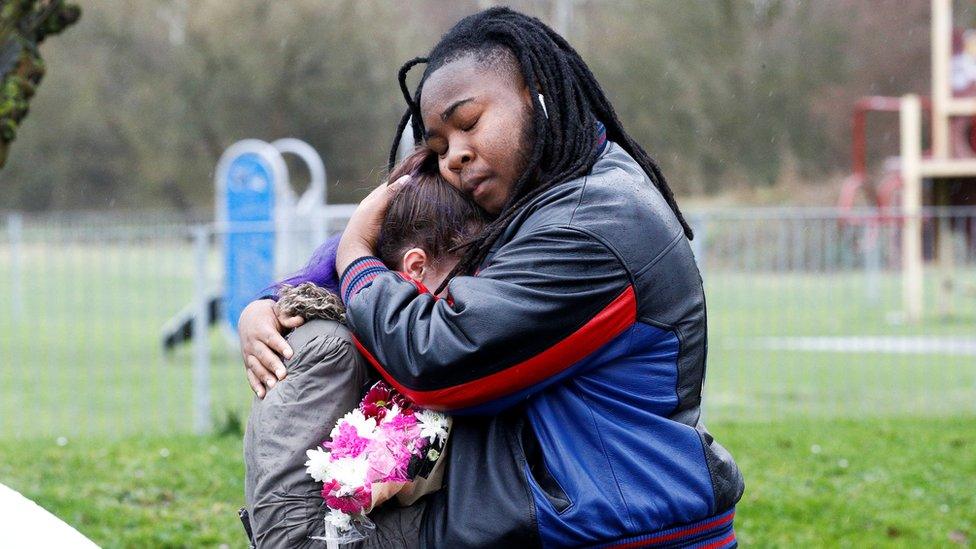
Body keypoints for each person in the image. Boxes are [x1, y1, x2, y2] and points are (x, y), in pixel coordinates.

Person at [240, 7, 744, 548]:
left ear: (537, 92)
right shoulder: (542, 194)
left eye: (469, 122)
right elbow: (408, 236)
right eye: (437, 147)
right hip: (548, 516)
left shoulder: (591, 223)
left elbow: (435, 361)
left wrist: (357, 258)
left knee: (300, 535)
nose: (454, 155)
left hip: (613, 528)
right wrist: (276, 299)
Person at [242, 147, 485, 548]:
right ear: (416, 267)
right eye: (469, 277)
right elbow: (290, 537)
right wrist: (459, 526)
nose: (476, 298)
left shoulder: (409, 346)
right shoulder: (330, 346)